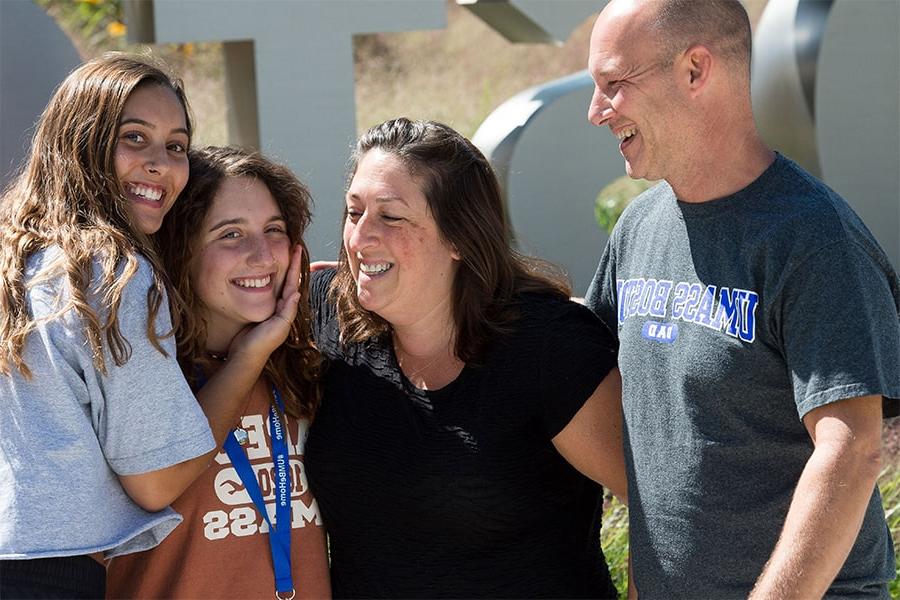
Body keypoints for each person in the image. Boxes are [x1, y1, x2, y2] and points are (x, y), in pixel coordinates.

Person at [584, 1, 900, 598]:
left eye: (613, 84)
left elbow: (852, 449)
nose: (596, 111)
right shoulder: (639, 227)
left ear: (696, 70)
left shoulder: (814, 237)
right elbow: (586, 380)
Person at [0, 56, 298, 598]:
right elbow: (155, 482)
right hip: (45, 575)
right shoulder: (114, 270)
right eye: (134, 138)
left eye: (177, 146)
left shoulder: (18, 256)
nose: (161, 164)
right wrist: (252, 355)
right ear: (80, 141)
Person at [304, 117, 627, 598]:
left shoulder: (550, 349)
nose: (359, 237)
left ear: (459, 236)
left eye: (390, 217)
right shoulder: (326, 313)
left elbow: (656, 506)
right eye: (354, 213)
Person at [106, 146, 330, 599]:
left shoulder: (311, 366)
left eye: (275, 230)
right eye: (231, 234)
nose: (263, 254)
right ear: (179, 249)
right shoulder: (137, 377)